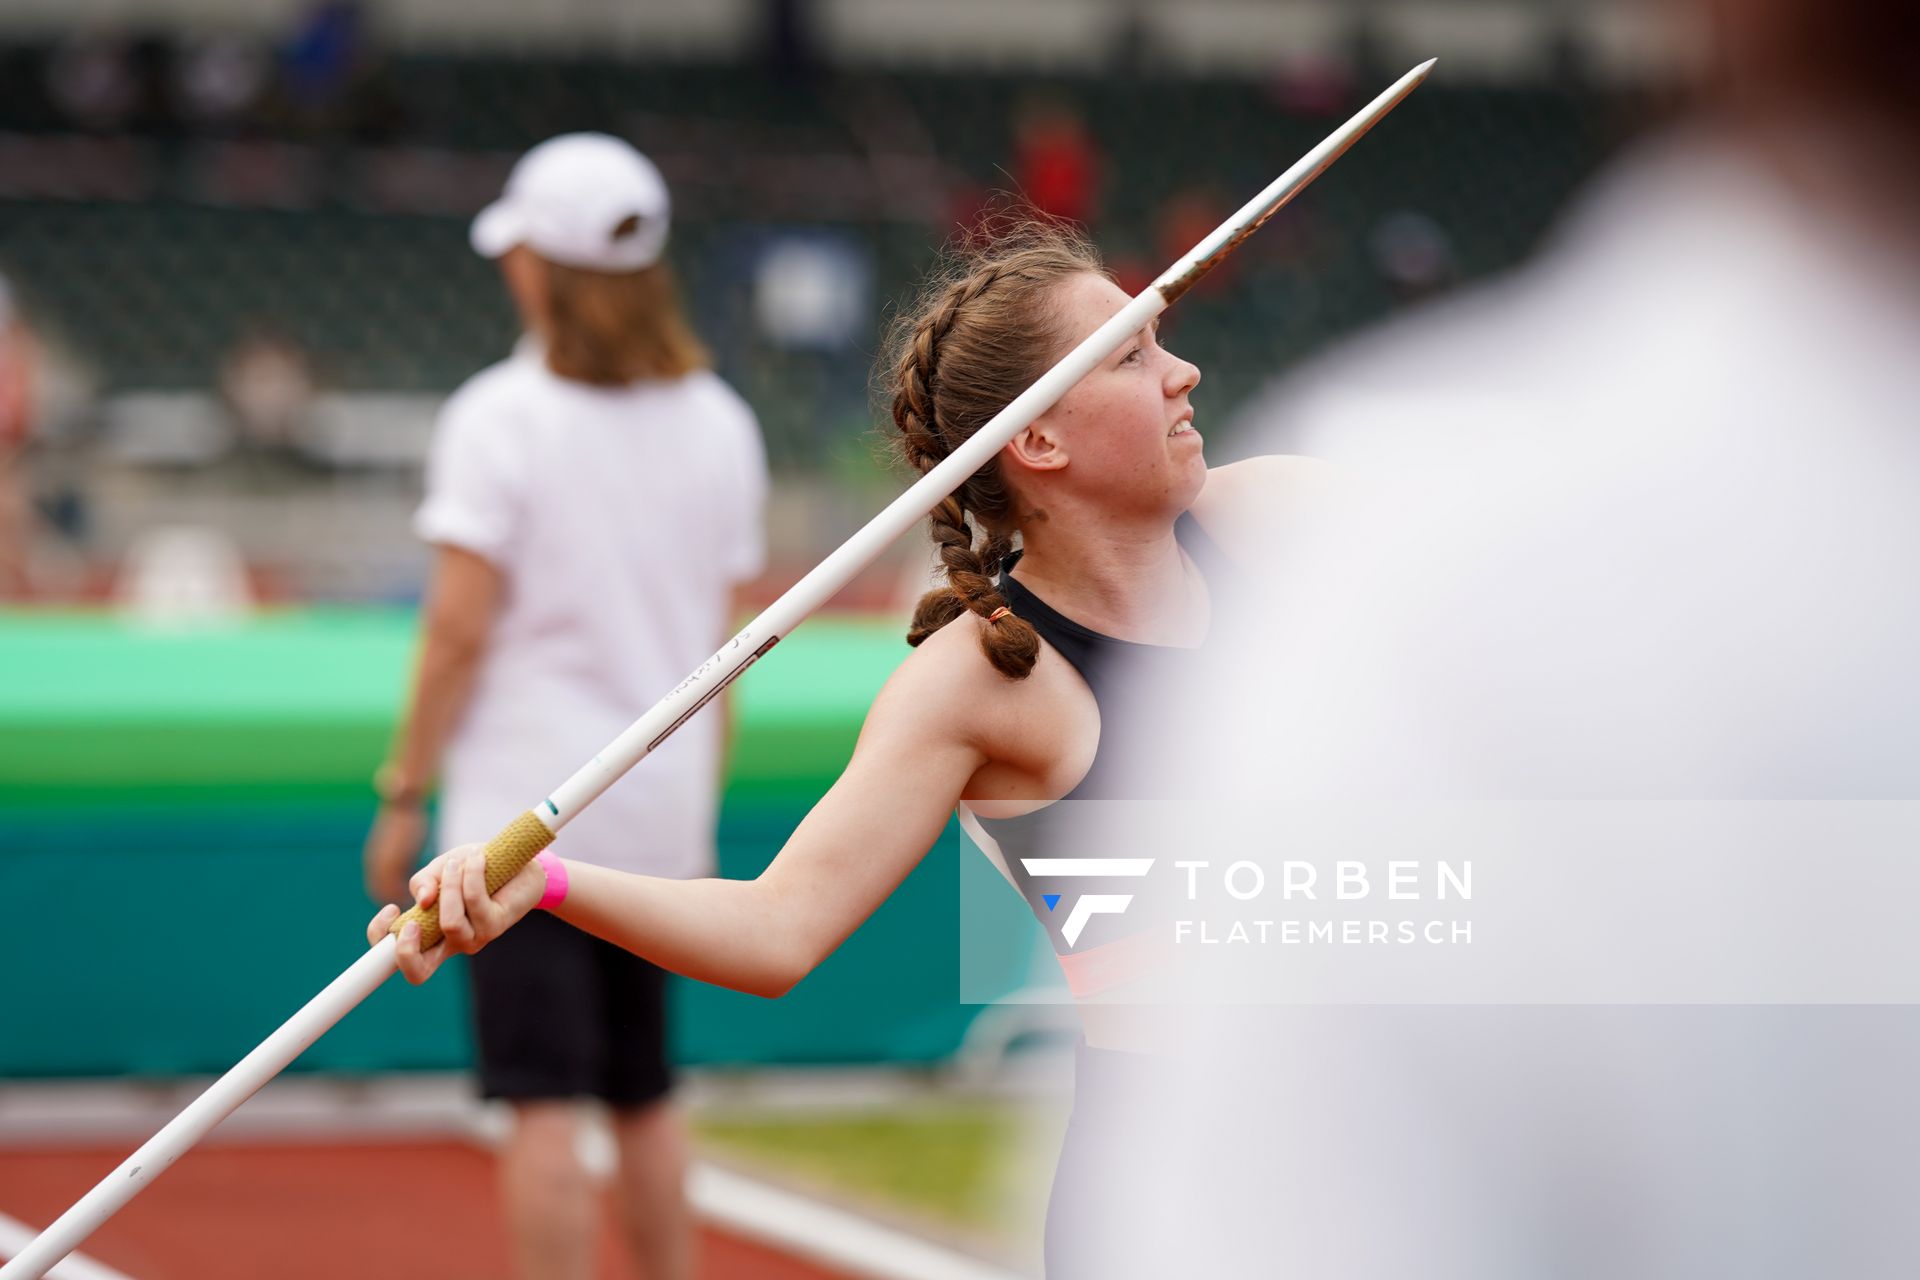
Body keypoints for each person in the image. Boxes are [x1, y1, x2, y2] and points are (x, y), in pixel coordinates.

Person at [366, 219, 1318, 1274]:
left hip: (1396, 1139)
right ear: (1037, 440)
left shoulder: (1287, 519)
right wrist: (543, 879)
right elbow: (780, 928)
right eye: (1134, 355)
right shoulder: (982, 683)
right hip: (1180, 1208)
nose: (1183, 371)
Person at [362, 133, 768, 1280]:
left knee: (542, 1095)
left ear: (543, 267)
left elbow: (454, 630)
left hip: (520, 812)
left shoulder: (501, 416)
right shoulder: (722, 422)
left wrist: (402, 792)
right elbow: (725, 650)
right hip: (657, 808)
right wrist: (695, 800)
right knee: (642, 1088)